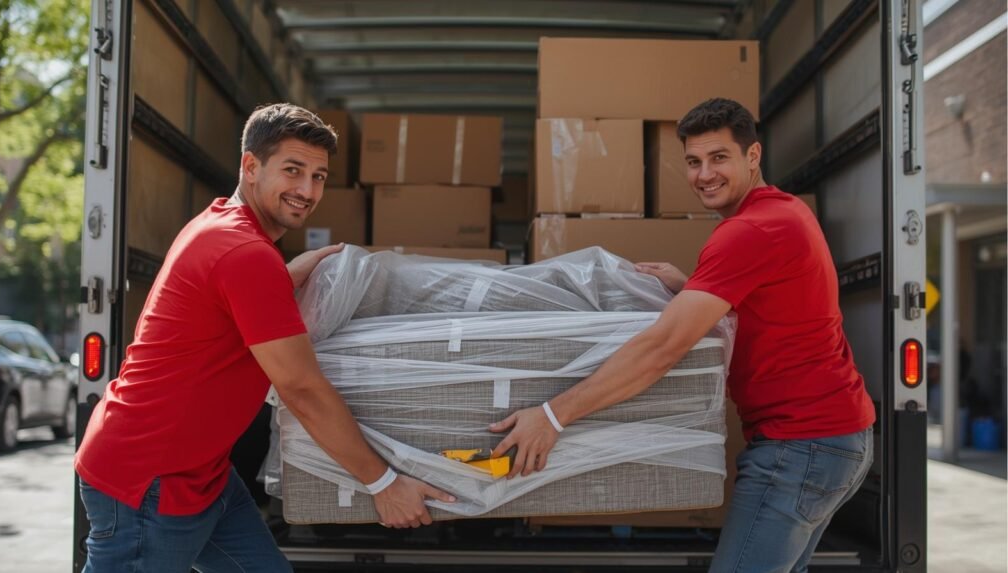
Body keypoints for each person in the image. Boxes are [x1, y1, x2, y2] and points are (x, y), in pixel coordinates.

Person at [489, 98, 875, 573]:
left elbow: (662, 349)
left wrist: (552, 415)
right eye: (693, 162)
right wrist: (692, 286)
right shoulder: (783, 212)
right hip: (830, 438)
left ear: (753, 156)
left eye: (719, 158)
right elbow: (769, 301)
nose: (704, 175)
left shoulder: (749, 231)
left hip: (800, 446)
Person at [75, 103, 453, 573]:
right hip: (151, 482)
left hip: (203, 475)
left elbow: (226, 300)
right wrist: (383, 484)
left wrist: (284, 276)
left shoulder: (225, 227)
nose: (307, 190)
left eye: (318, 176)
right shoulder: (246, 253)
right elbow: (301, 388)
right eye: (293, 171)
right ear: (250, 166)